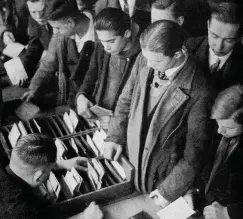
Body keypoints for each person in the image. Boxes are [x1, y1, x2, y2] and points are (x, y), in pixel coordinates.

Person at [102, 20, 214, 208]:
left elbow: (194, 156)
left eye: (156, 61)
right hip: (130, 165)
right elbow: (125, 101)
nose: (149, 66)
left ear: (177, 55)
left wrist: (167, 191)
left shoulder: (201, 91)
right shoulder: (145, 59)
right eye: (146, 58)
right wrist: (114, 136)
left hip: (161, 180)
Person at [0, 133, 103, 219]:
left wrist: (59, 164)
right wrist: (85, 217)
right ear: (38, 177)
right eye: (49, 170)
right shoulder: (24, 211)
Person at [76, 8, 141, 130]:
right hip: (99, 120)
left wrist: (118, 122)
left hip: (123, 127)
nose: (106, 47)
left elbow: (141, 105)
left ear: (127, 34)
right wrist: (81, 96)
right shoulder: (101, 48)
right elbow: (89, 79)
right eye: (102, 40)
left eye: (111, 41)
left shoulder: (142, 57)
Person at [22, 0, 95, 107]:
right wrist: (34, 88)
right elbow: (48, 63)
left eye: (57, 28)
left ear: (71, 22)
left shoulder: (103, 34)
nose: (55, 32)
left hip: (93, 103)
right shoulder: (61, 34)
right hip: (72, 100)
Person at [188, 85, 243, 219]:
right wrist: (192, 191)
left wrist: (229, 213)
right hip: (203, 205)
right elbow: (203, 164)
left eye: (229, 128)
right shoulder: (217, 128)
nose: (220, 131)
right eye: (219, 124)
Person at [185, 2, 243, 92]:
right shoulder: (188, 47)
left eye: (229, 40)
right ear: (208, 25)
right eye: (214, 36)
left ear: (239, 38)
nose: (219, 46)